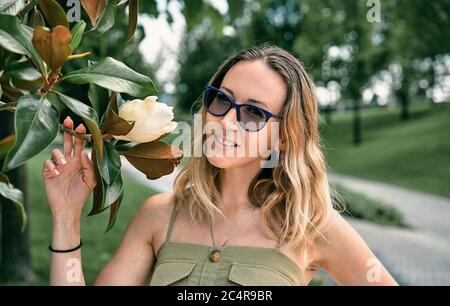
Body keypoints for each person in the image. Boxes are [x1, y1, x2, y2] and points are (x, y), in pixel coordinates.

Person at [42, 43, 398, 286]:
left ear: (285, 136)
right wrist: (66, 217)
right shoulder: (159, 216)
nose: (226, 121)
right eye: (221, 101)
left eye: (254, 112)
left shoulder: (312, 226)